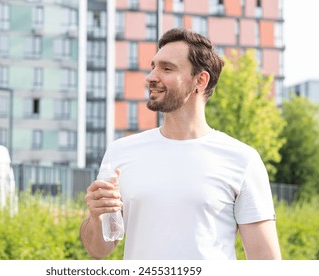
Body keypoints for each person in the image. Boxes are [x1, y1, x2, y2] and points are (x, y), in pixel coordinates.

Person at [80, 27, 281, 260]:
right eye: (152, 66)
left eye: (167, 68)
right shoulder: (120, 151)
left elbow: (265, 262)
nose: (151, 77)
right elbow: (97, 249)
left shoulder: (242, 159)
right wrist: (96, 217)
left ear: (200, 80)